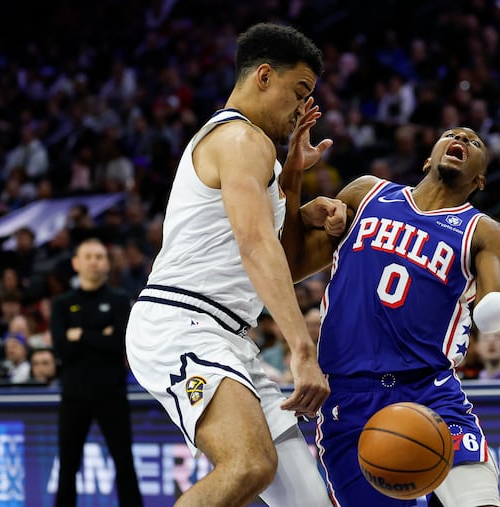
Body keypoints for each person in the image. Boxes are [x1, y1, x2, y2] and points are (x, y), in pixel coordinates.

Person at [283, 127, 500, 507]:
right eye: (452, 134)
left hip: (428, 390)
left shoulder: (484, 231)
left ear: (480, 178)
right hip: (348, 396)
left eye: (475, 141)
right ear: (427, 158)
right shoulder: (366, 192)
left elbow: (486, 317)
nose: (463, 139)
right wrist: (299, 205)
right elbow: (289, 263)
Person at [125, 23, 344, 507]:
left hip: (225, 334)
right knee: (250, 464)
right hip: (183, 322)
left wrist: (291, 182)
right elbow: (254, 246)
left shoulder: (255, 151)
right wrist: (302, 350)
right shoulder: (242, 138)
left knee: (307, 502)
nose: (304, 109)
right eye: (300, 92)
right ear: (264, 76)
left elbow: (278, 266)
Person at [51, 238, 143, 507]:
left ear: (108, 263)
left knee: (124, 463)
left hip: (112, 396)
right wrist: (100, 335)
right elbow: (62, 348)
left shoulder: (118, 300)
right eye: (88, 256)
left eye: (100, 256)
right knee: (67, 466)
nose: (94, 261)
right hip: (73, 397)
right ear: (76, 263)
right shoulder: (62, 303)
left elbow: (118, 345)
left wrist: (79, 334)